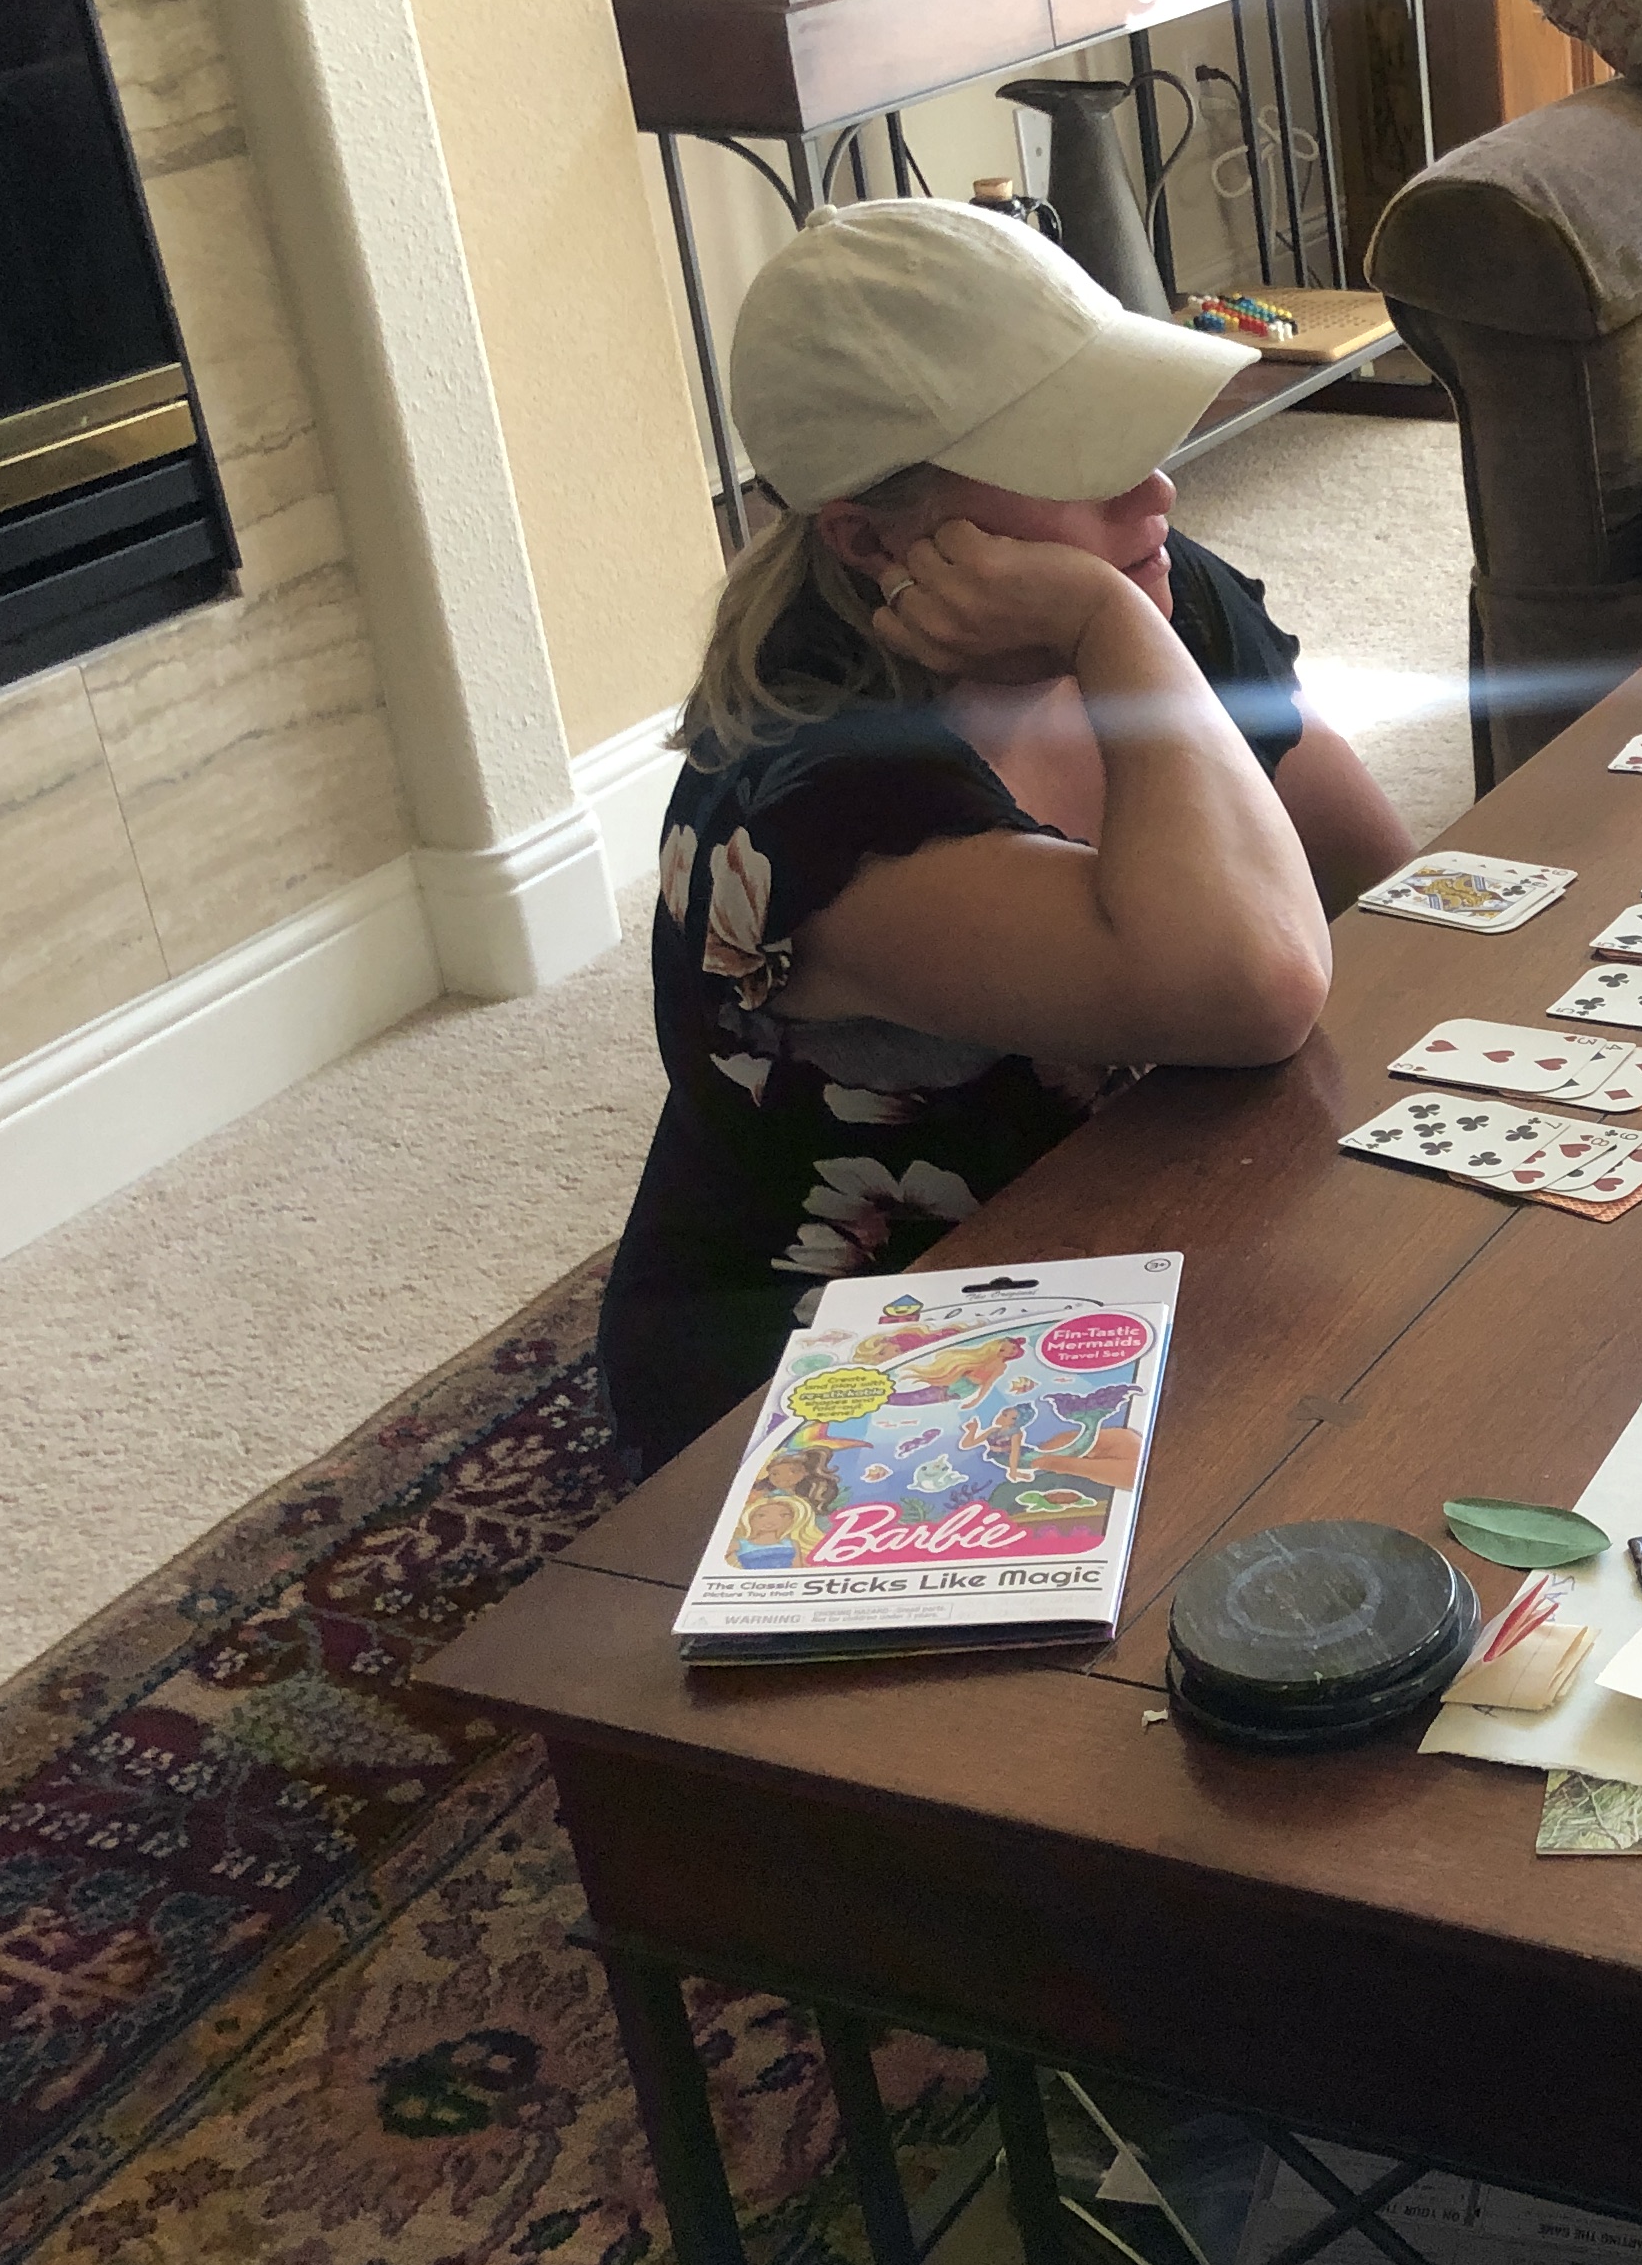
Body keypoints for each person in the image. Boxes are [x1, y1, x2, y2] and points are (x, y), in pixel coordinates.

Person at [603, 197, 1415, 1469]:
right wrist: (1111, 634)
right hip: (841, 1369)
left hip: (1117, 1230)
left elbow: (1392, 885)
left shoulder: (1157, 593)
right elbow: (1253, 986)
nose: (1155, 488)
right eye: (1074, 461)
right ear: (870, 538)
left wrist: (1127, 629)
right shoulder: (818, 799)